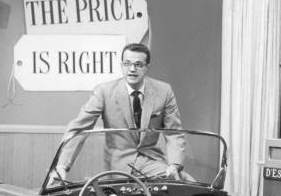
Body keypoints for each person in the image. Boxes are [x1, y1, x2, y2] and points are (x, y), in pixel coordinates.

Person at [55, 43, 186, 180]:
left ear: (147, 67)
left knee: (183, 181)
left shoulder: (164, 91)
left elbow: (174, 133)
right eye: (127, 63)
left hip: (151, 161)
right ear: (121, 65)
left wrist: (174, 165)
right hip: (118, 165)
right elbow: (78, 129)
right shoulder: (104, 91)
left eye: (138, 64)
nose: (132, 69)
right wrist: (62, 165)